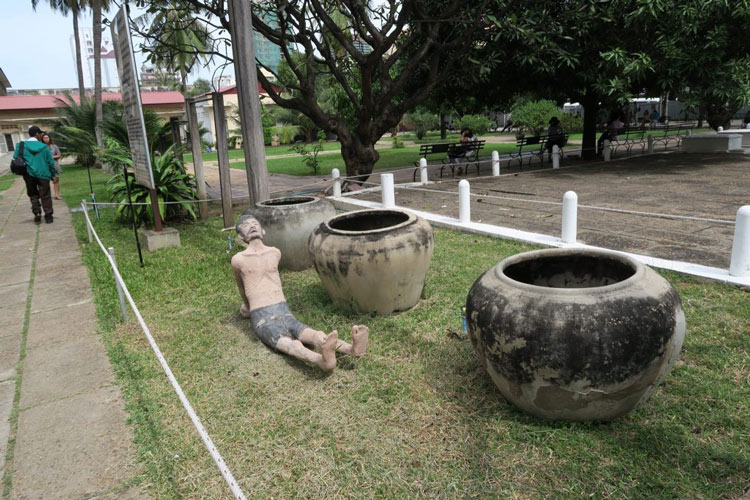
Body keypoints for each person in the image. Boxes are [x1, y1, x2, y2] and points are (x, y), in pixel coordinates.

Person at [232, 215, 369, 372]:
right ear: (241, 236)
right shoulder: (238, 260)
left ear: (263, 231)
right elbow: (242, 287)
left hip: (284, 310)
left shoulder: (274, 253)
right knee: (288, 343)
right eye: (245, 225)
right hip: (261, 315)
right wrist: (248, 307)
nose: (251, 226)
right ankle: (322, 361)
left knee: (312, 334)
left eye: (255, 223)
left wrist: (246, 309)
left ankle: (352, 349)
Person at [13, 126, 56, 224]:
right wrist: (53, 174)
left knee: (33, 194)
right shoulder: (44, 147)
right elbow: (50, 162)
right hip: (44, 174)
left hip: (28, 174)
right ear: (36, 134)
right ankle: (48, 216)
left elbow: (16, 157)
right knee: (45, 195)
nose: (41, 135)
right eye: (40, 133)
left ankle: (36, 213)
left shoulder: (21, 145)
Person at [42, 133, 62, 200]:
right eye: (44, 138)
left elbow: (59, 155)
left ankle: (57, 195)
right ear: (42, 139)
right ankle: (46, 196)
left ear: (49, 138)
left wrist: (52, 157)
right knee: (45, 182)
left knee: (56, 181)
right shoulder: (41, 147)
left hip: (54, 165)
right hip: (45, 166)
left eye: (47, 137)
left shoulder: (54, 146)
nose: (46, 139)